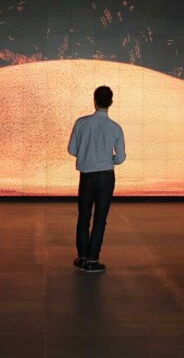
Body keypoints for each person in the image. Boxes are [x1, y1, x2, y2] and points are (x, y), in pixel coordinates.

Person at [68, 86, 126, 274]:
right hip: (106, 177)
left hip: (86, 176)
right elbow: (121, 157)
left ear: (94, 100)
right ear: (110, 103)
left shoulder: (81, 123)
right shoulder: (115, 127)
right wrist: (110, 160)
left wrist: (86, 155)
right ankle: (93, 260)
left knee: (84, 217)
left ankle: (82, 257)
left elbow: (71, 149)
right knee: (100, 218)